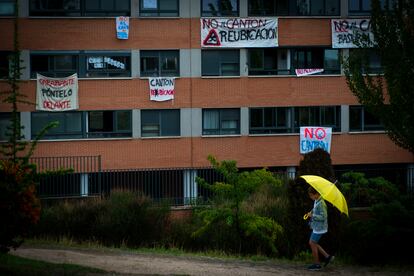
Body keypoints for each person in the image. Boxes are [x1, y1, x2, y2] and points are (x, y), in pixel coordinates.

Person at [305, 186, 334, 271]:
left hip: (320, 228)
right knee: (313, 243)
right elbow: (316, 209)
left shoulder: (322, 203)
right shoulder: (317, 201)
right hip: (316, 226)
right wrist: (311, 212)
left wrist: (313, 215)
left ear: (317, 194)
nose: (310, 197)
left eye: (311, 195)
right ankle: (327, 257)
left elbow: (323, 216)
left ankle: (317, 264)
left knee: (312, 243)